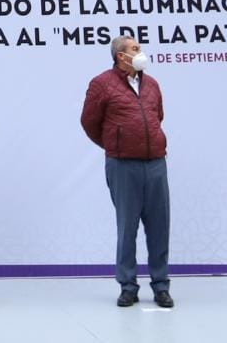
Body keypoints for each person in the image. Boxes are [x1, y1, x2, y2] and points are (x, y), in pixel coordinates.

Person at [80, 35, 173, 308]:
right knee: (127, 226)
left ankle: (161, 285)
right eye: (135, 49)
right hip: (123, 165)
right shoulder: (101, 84)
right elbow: (89, 123)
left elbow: (158, 116)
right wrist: (115, 144)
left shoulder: (152, 84)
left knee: (159, 226)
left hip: (155, 162)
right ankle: (128, 285)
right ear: (120, 55)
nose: (140, 52)